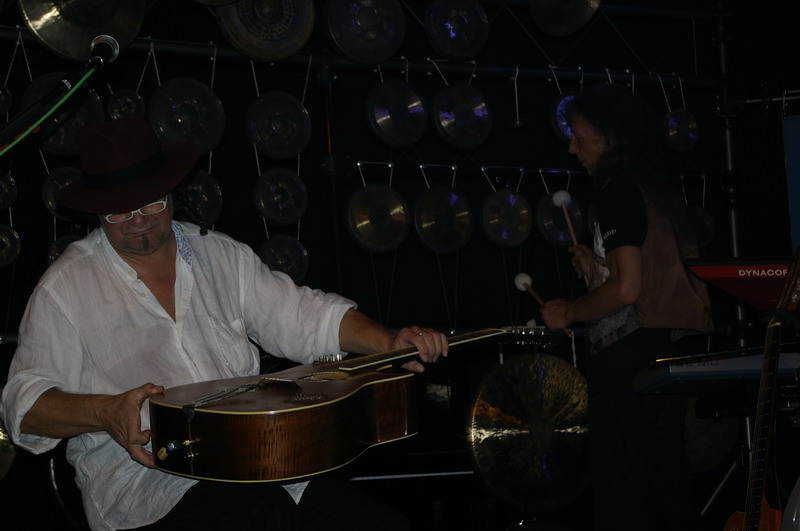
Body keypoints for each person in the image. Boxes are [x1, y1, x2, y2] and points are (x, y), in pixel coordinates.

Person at [1, 115, 448, 531]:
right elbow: (24, 405)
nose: (138, 221)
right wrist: (105, 411)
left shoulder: (222, 256)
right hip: (148, 485)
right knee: (263, 517)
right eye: (119, 211)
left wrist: (387, 343)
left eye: (151, 203)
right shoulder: (67, 286)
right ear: (98, 210)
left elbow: (306, 316)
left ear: (170, 190)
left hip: (257, 462)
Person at [540, 84, 712, 531]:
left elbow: (628, 290)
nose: (572, 148)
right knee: (665, 493)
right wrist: (596, 269)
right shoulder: (655, 187)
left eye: (578, 136)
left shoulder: (617, 191)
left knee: (624, 499)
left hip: (628, 361)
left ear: (607, 136)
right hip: (664, 352)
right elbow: (638, 278)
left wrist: (570, 312)